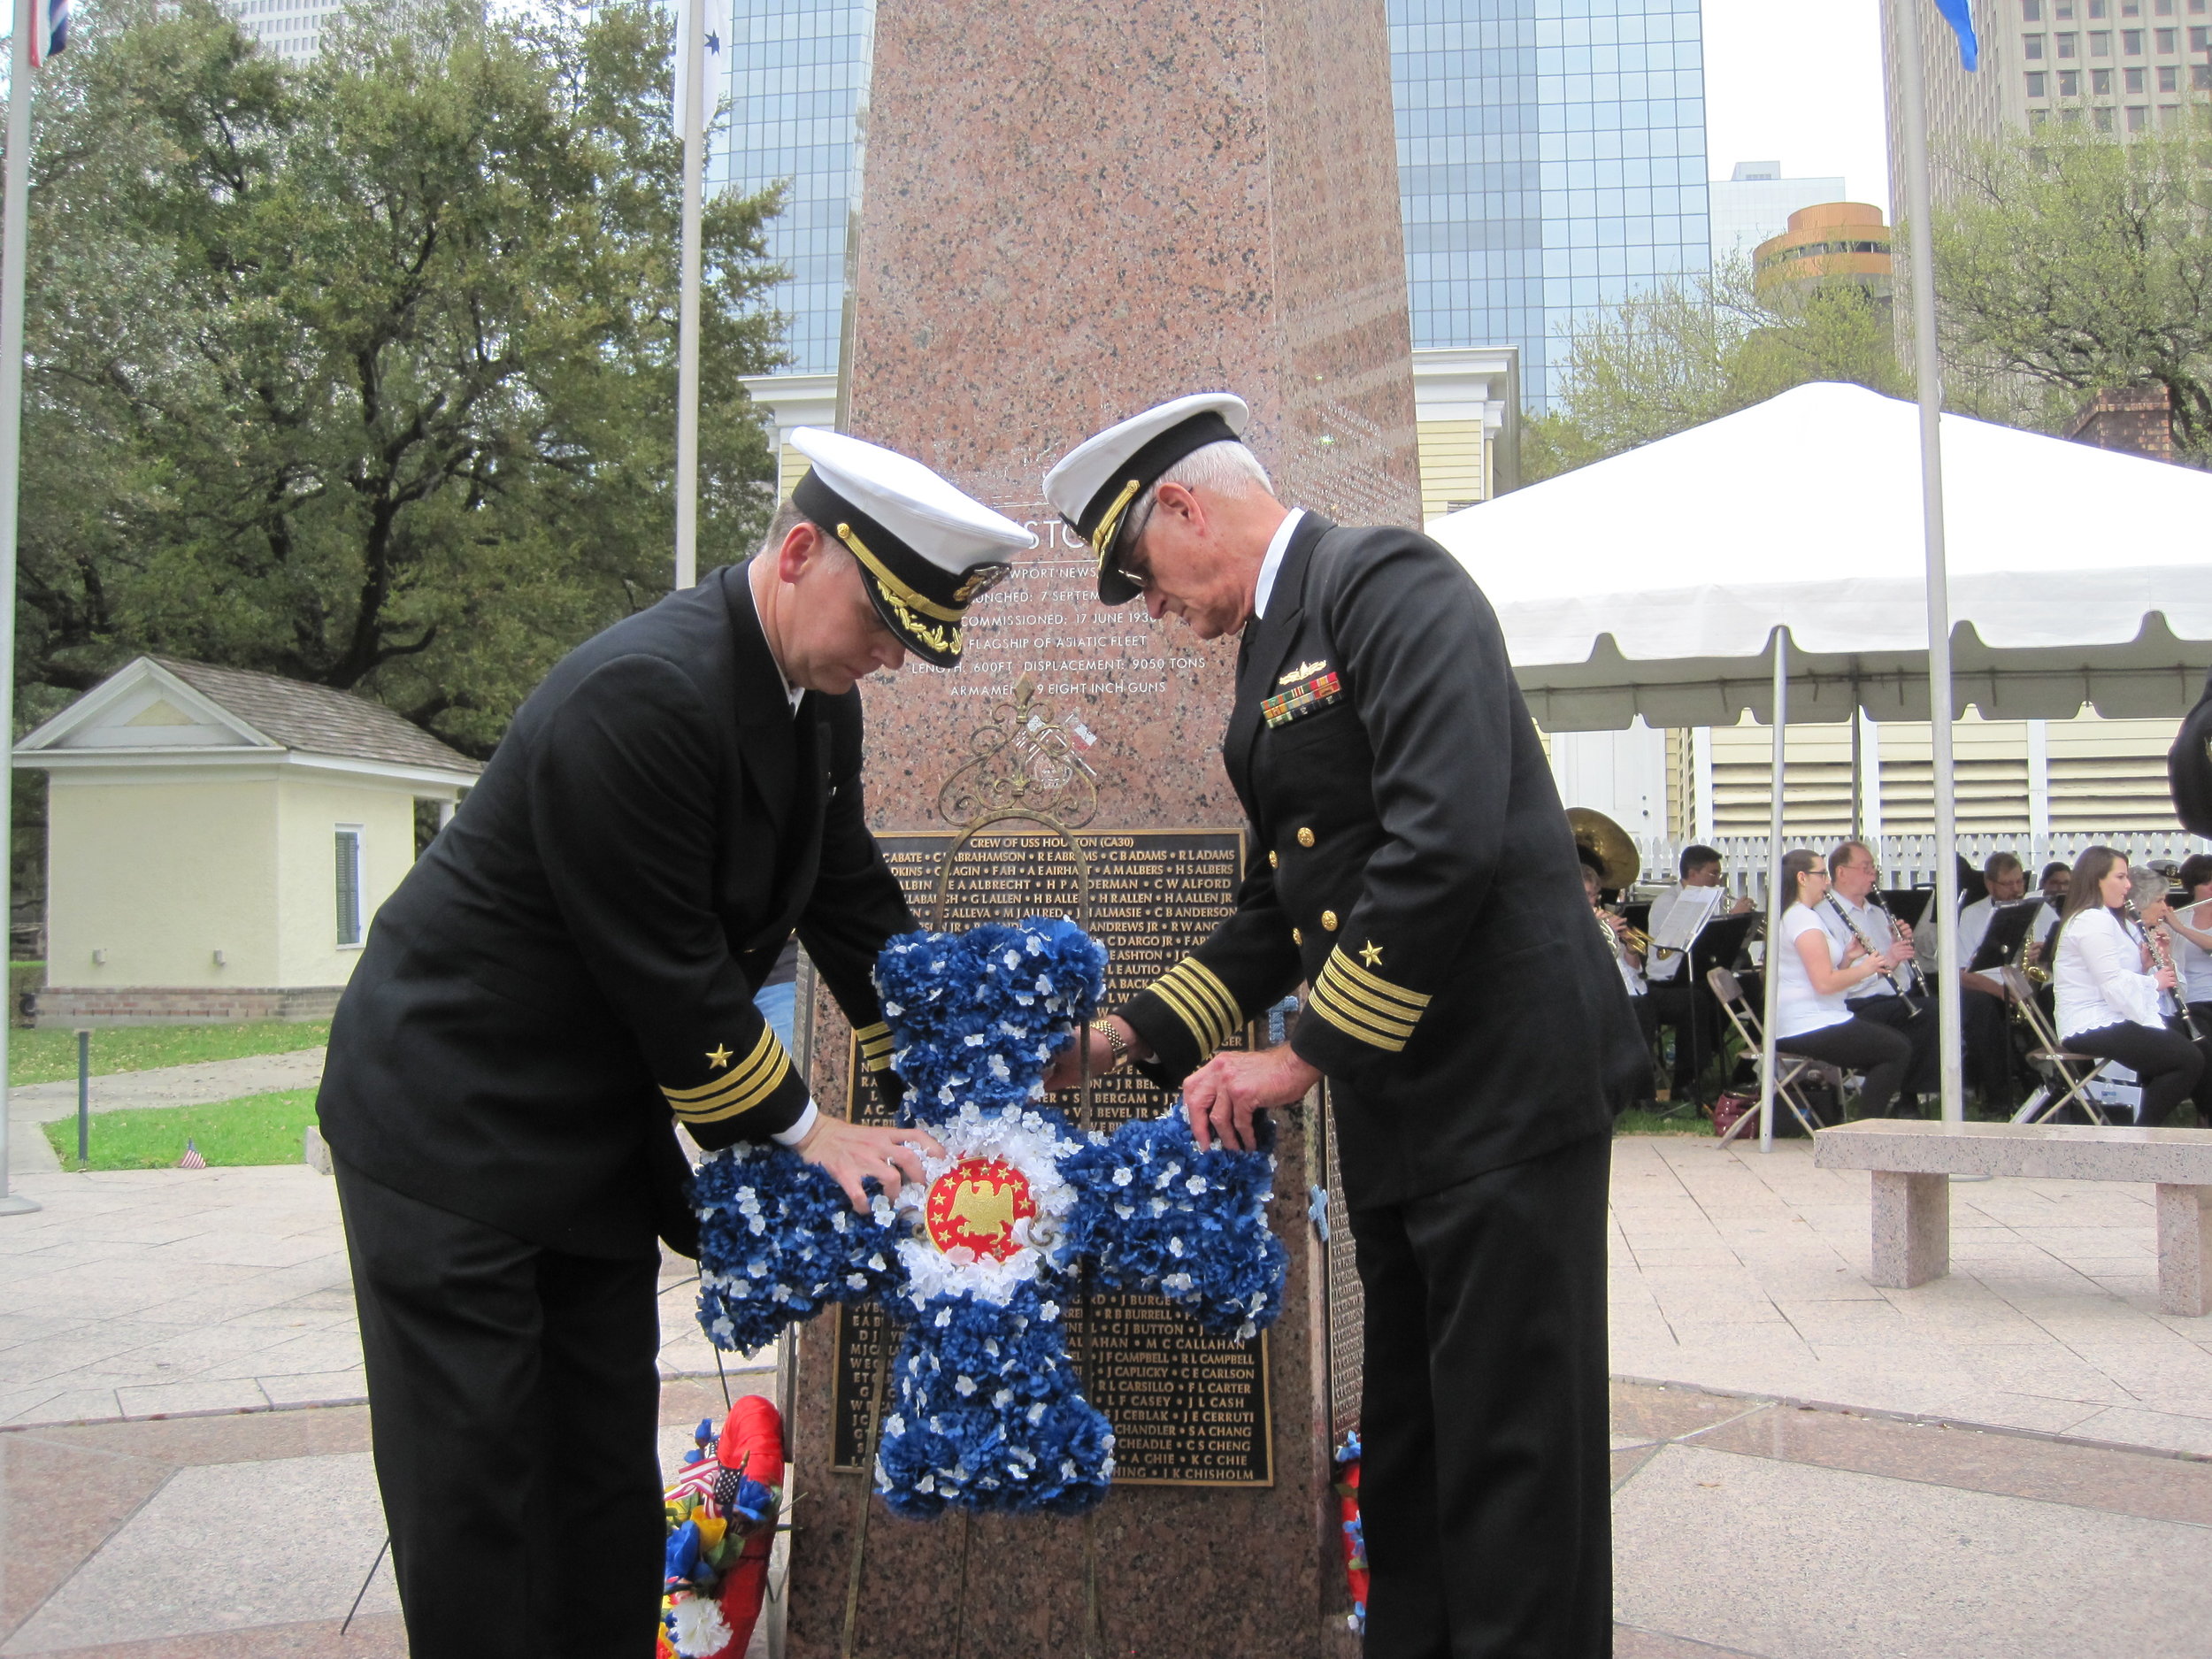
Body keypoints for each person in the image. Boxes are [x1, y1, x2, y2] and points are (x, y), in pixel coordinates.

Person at [313, 428, 1035, 1658]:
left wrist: (965, 1078)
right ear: (799, 550)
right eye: (886, 618)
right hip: (453, 1120)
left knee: (596, 1469)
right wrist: (818, 1131)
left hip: (587, 1133)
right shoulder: (642, 694)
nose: (896, 654)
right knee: (480, 1482)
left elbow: (847, 897)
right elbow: (674, 981)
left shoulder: (815, 698)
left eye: (917, 634)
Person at [1039, 393, 1641, 1658]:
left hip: (1503, 1082)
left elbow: (1443, 845)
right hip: (1408, 1103)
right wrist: (1115, 1040)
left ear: (1187, 507)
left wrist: (1302, 1053)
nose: (1157, 612)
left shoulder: (1388, 584)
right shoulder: (1276, 648)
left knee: (1514, 1450)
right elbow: (1281, 907)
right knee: (1417, 1438)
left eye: (1144, 579)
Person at [2049, 846, 2204, 1126]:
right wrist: (2154, 982)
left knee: (2190, 1050)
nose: (2127, 885)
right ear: (2098, 879)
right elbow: (2111, 984)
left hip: (2111, 1015)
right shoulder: (2091, 920)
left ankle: (2141, 1129)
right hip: (2090, 1022)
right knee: (2187, 1059)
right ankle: (2139, 1136)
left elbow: (2114, 975)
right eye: (2120, 877)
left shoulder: (2107, 917)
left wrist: (2145, 966)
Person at [1771, 849, 1916, 1119]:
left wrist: (1848, 958)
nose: (1827, 881)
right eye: (1821, 874)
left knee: (1895, 1044)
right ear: (1802, 878)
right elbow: (1824, 983)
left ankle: (1865, 1124)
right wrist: (1867, 968)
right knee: (1896, 1050)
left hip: (1821, 1017)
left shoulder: (1804, 916)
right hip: (1808, 1024)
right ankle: (1864, 1130)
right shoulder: (1803, 920)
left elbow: (1825, 973)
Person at [1817, 841, 1939, 1114]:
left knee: (1935, 1008)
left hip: (1891, 999)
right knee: (1928, 1015)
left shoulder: (1878, 913)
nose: (1873, 875)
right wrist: (1890, 958)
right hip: (1854, 1003)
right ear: (1842, 872)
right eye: (1866, 868)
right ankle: (1906, 1101)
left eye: (1874, 868)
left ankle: (1909, 1097)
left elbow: (1902, 975)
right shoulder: (1824, 916)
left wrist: (1903, 946)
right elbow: (1835, 977)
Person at [1643, 845, 1752, 1100]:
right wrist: (1730, 919)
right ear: (1692, 874)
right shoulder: (1668, 903)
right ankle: (1685, 1080)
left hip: (1698, 975)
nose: (1718, 880)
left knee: (1748, 989)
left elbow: (1714, 948)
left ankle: (1746, 1070)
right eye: (1713, 874)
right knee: (1698, 1001)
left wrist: (1740, 926)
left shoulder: (1709, 899)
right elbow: (1691, 940)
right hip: (1668, 980)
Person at [1955, 851, 2036, 1107]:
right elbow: (1958, 974)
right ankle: (2000, 1094)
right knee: (1979, 1008)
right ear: (1990, 885)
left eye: (2019, 882)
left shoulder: (2036, 907)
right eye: (2008, 884)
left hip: (2031, 985)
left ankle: (2049, 1081)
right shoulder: (1971, 915)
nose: (2016, 890)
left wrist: (2044, 954)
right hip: (1990, 992)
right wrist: (2000, 991)